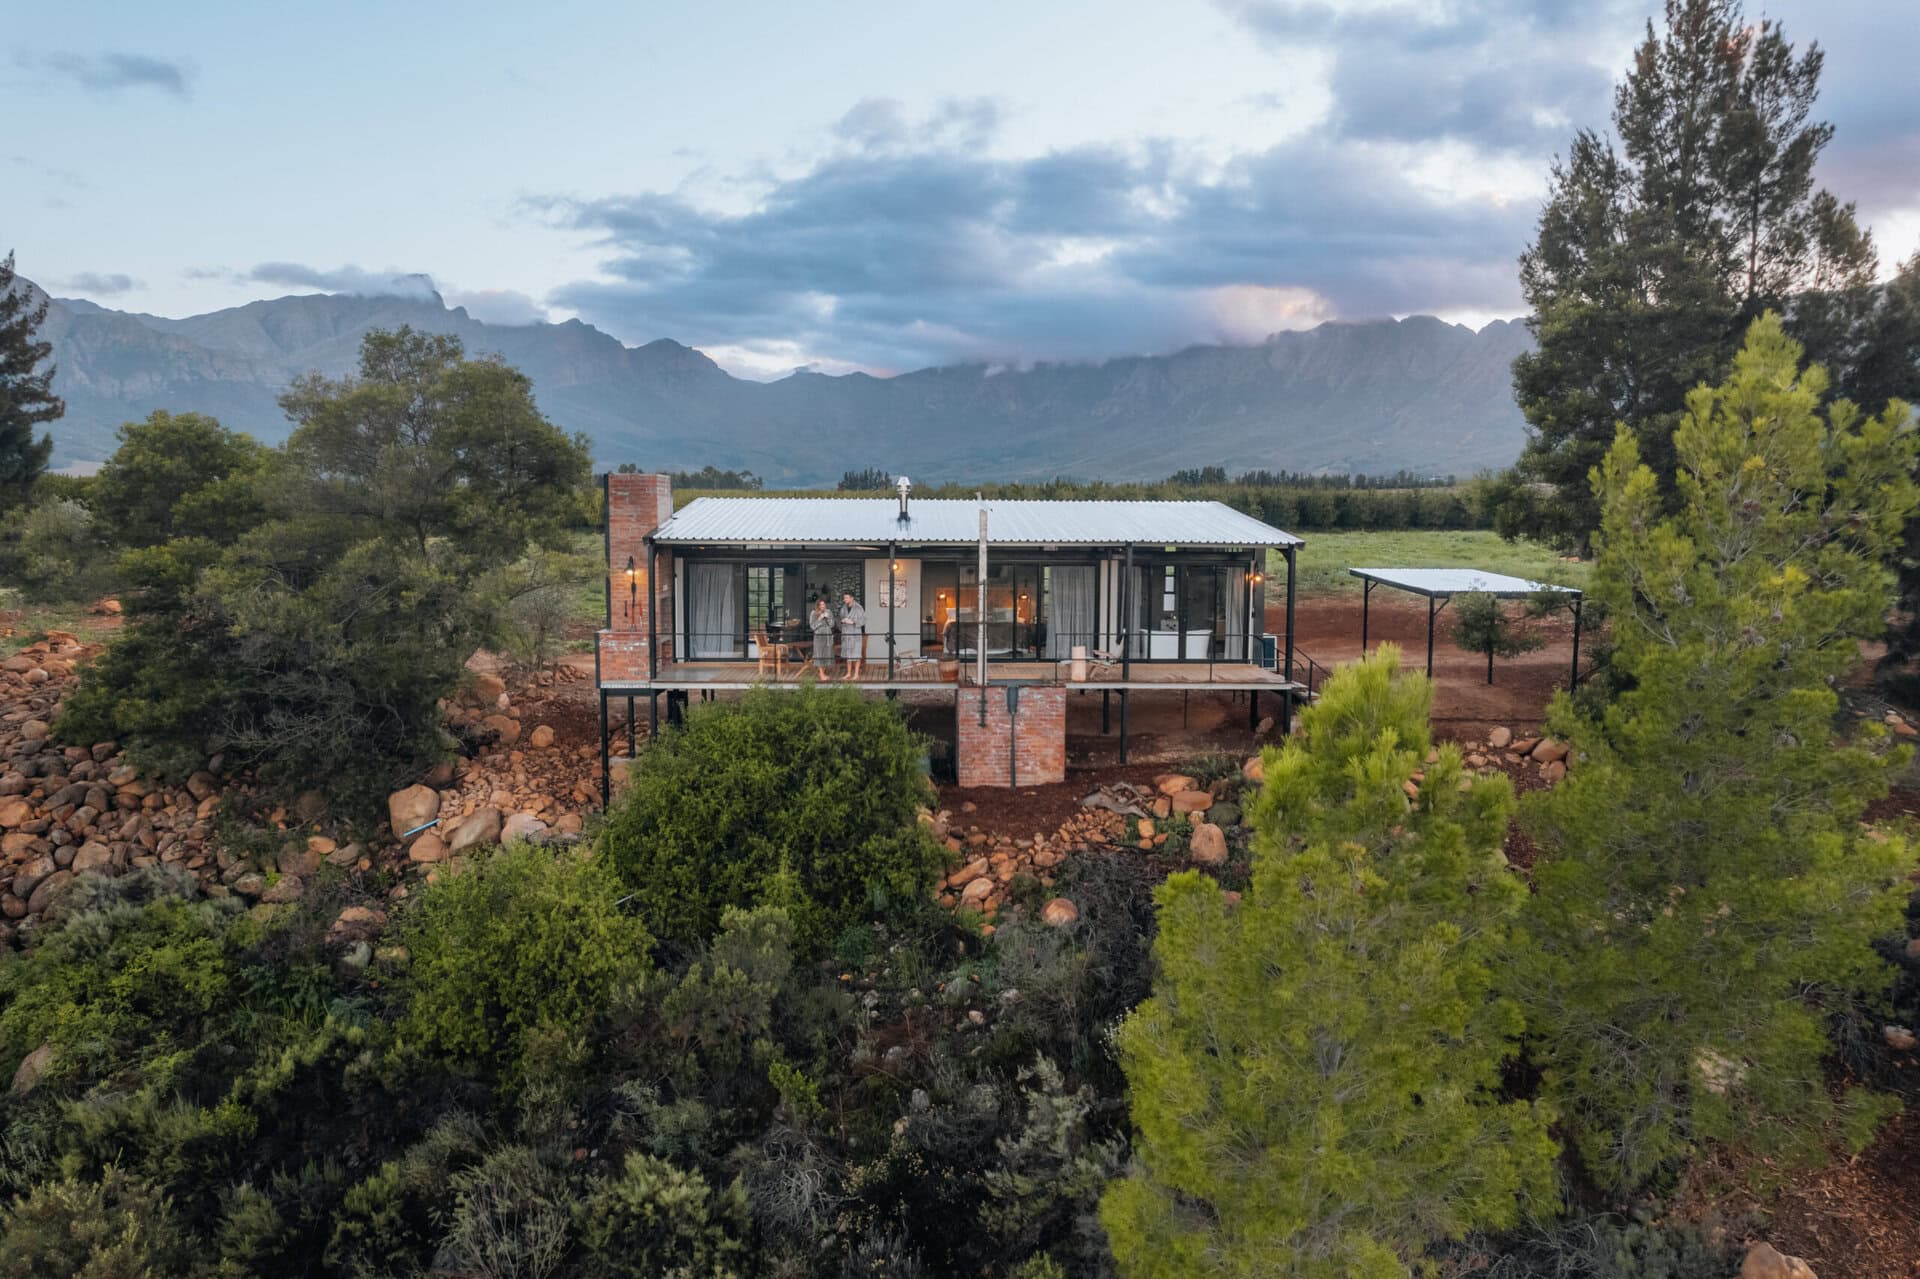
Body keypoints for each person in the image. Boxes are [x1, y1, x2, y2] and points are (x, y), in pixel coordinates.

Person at [839, 590, 867, 680]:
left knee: (856, 654)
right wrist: (842, 621)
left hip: (855, 634)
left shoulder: (858, 607)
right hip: (846, 634)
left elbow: (863, 620)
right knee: (848, 655)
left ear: (852, 598)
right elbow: (840, 618)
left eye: (846, 598)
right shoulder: (843, 607)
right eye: (844, 598)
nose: (844, 599)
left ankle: (856, 674)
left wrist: (853, 622)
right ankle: (848, 673)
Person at [809, 596, 835, 677]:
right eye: (821, 605)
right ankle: (821, 674)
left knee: (827, 654)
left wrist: (828, 618)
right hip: (819, 637)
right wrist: (819, 619)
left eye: (824, 604)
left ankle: (823, 672)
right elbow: (812, 626)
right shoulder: (813, 613)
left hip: (827, 636)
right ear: (818, 606)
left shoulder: (829, 612)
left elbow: (832, 625)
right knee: (819, 654)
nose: (823, 606)